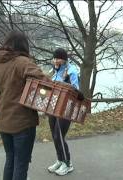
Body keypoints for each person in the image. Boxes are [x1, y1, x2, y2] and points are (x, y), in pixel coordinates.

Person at [0, 30, 51, 180]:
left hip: (3, 120)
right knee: (21, 163)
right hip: (21, 123)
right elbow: (44, 81)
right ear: (23, 45)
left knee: (10, 159)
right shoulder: (22, 62)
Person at [47, 48, 83, 176]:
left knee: (59, 135)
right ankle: (60, 160)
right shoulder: (55, 70)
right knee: (54, 135)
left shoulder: (71, 71)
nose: (55, 60)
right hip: (53, 106)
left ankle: (68, 164)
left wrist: (66, 81)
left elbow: (75, 91)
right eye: (54, 58)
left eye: (58, 58)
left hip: (66, 107)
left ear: (64, 59)